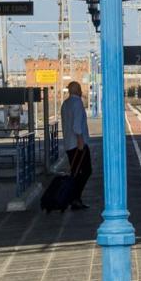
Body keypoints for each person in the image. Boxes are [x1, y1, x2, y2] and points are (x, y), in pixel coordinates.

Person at [61, 81, 92, 211]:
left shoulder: (65, 104)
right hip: (78, 144)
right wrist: (80, 142)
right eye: (80, 88)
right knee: (86, 171)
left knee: (75, 172)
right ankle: (75, 198)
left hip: (68, 144)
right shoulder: (77, 103)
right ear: (78, 90)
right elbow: (76, 126)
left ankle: (74, 199)